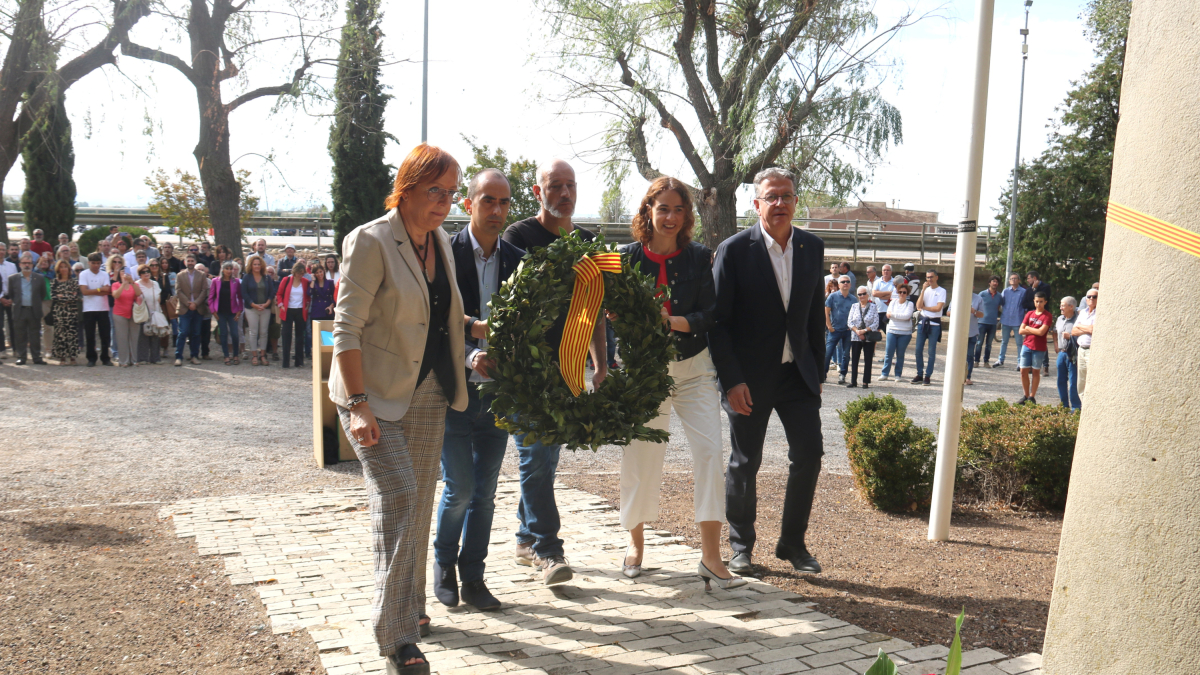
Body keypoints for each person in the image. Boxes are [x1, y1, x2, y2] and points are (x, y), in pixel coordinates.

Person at [328, 143, 468, 674]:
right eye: (434, 190)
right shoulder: (370, 240)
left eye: (450, 193)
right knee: (401, 496)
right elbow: (346, 328)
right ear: (405, 189)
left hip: (429, 391)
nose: (443, 203)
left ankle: (411, 610)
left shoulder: (440, 241)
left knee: (419, 504)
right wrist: (358, 404)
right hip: (371, 397)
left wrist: (477, 335)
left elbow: (436, 315)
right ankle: (397, 638)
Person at [616, 177, 745, 590]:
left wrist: (671, 321)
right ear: (648, 211)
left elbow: (711, 315)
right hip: (644, 372)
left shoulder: (700, 257)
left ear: (687, 215)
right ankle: (635, 544)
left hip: (694, 369)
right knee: (641, 457)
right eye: (663, 209)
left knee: (710, 453)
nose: (670, 217)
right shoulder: (624, 258)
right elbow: (609, 312)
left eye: (678, 210)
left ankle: (711, 557)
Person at [709, 167, 827, 576]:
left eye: (787, 196)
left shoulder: (812, 247)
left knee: (809, 455)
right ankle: (741, 547)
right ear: (756, 203)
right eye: (772, 197)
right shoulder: (734, 250)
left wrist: (818, 372)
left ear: (795, 201)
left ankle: (792, 543)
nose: (780, 203)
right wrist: (731, 381)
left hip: (798, 375)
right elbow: (718, 324)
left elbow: (814, 314)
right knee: (745, 462)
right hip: (748, 379)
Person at [500, 158, 607, 586]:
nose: (564, 193)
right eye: (555, 185)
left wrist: (600, 363)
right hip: (525, 372)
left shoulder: (590, 243)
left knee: (546, 459)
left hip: (569, 369)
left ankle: (525, 538)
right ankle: (548, 549)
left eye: (570, 186)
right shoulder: (518, 237)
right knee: (535, 456)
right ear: (537, 191)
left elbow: (596, 307)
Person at [433, 168, 524, 611]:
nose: (497, 210)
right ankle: (443, 567)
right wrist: (471, 355)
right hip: (454, 391)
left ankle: (474, 577)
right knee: (460, 490)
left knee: (485, 493)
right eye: (488, 200)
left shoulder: (519, 259)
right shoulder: (444, 253)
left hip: (498, 396)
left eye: (504, 202)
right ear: (468, 204)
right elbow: (435, 320)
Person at [5, 253, 48, 364]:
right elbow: (11, 294)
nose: (27, 265)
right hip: (20, 310)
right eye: (24, 263)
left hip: (34, 310)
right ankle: (22, 357)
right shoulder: (12, 279)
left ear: (32, 265)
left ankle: (36, 357)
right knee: (20, 335)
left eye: (29, 263)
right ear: (20, 264)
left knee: (35, 335)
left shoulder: (39, 278)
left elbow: (42, 294)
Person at [912, 269, 946, 385]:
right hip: (923, 322)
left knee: (931, 352)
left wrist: (925, 308)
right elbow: (918, 305)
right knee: (918, 350)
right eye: (927, 277)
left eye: (931, 277)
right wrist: (923, 290)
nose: (929, 279)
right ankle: (919, 373)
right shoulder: (926, 290)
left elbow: (938, 308)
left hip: (934, 324)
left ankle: (928, 375)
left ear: (936, 277)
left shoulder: (941, 291)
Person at [174, 253, 209, 366]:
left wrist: (196, 303)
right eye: (188, 261)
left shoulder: (201, 275)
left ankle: (194, 356)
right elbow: (178, 291)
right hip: (184, 308)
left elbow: (204, 290)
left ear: (195, 262)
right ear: (185, 262)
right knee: (183, 332)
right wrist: (188, 303)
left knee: (196, 333)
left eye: (192, 261)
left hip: (198, 308)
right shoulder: (180, 275)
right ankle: (178, 356)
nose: (190, 263)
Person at [1018, 291, 1052, 404]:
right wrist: (1034, 330)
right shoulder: (1029, 314)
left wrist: (1028, 328)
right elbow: (1020, 330)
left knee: (1036, 371)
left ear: (1045, 302)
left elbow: (1041, 332)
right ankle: (1026, 395)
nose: (1038, 304)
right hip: (1026, 345)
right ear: (1034, 301)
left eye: (1041, 302)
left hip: (1039, 347)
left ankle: (1032, 396)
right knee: (1023, 371)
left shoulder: (1047, 316)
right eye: (1037, 301)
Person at [241, 256, 276, 366]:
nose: (257, 266)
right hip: (251, 308)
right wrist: (253, 305)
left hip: (265, 308)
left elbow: (271, 292)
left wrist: (266, 304)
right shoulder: (247, 277)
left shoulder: (267, 277)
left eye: (258, 264)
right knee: (253, 332)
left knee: (264, 332)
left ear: (262, 265)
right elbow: (244, 293)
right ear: (251, 265)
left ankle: (263, 355)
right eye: (254, 264)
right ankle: (254, 355)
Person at [276, 259, 310, 368]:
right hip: (288, 310)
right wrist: (281, 305)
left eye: (302, 273)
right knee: (286, 336)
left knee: (299, 336)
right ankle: (286, 362)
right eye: (299, 273)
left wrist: (307, 304)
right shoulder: (286, 280)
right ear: (294, 272)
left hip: (300, 310)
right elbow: (279, 294)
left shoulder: (305, 281)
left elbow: (308, 295)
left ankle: (299, 361)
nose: (301, 275)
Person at [878, 284, 915, 381]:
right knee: (888, 353)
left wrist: (893, 315)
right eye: (900, 292)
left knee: (900, 354)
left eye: (904, 292)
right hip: (892, 330)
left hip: (905, 332)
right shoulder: (893, 302)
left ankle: (898, 375)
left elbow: (906, 316)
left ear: (907, 294)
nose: (902, 294)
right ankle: (884, 373)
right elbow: (888, 314)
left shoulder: (910, 304)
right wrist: (899, 316)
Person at [208, 261, 243, 365]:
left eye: (230, 269)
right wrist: (213, 311)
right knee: (223, 334)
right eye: (226, 269)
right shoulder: (215, 281)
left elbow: (240, 297)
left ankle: (235, 355)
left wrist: (239, 311)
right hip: (220, 312)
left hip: (233, 312)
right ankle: (226, 355)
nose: (229, 271)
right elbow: (211, 297)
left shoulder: (236, 281)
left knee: (235, 334)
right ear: (222, 270)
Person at [845, 285, 879, 388]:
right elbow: (849, 322)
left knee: (868, 359)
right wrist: (857, 331)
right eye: (860, 294)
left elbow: (876, 323)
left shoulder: (873, 307)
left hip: (869, 336)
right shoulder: (854, 306)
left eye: (864, 294)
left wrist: (864, 331)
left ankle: (865, 381)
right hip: (855, 336)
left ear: (868, 294)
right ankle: (853, 381)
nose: (862, 296)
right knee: (854, 359)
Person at [111, 267, 144, 367]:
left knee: (134, 337)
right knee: (122, 338)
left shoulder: (135, 284)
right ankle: (123, 361)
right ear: (119, 274)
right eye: (123, 271)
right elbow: (116, 295)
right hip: (119, 314)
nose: (125, 273)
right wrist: (123, 284)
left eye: (127, 272)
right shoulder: (115, 285)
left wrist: (131, 282)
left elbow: (138, 293)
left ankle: (134, 359)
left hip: (134, 314)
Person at [951, 289, 985, 386]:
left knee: (970, 355)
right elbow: (948, 313)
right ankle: (955, 376)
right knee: (956, 355)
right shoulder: (956, 296)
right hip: (958, 332)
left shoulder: (978, 298)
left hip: (972, 332)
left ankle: (968, 377)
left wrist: (974, 311)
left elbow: (982, 314)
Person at [824, 275, 854, 384]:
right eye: (843, 282)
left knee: (846, 354)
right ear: (839, 285)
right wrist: (829, 327)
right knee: (828, 353)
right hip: (834, 330)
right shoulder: (832, 296)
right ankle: (823, 374)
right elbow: (826, 312)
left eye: (847, 281)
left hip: (847, 331)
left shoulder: (853, 299)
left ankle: (842, 375)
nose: (845, 283)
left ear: (850, 284)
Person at [49, 260, 81, 365]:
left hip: (71, 311)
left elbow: (75, 297)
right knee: (60, 334)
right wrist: (68, 296)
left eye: (65, 266)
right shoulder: (54, 282)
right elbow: (54, 297)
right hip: (58, 312)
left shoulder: (74, 282)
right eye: (61, 267)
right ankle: (62, 357)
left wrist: (62, 296)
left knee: (72, 334)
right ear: (58, 269)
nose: (63, 269)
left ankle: (72, 357)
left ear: (69, 268)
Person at [1054, 296, 1082, 412]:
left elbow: (1083, 336)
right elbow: (1055, 331)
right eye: (1060, 305)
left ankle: (1076, 407)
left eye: (1063, 305)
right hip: (1061, 353)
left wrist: (1070, 336)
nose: (1060, 308)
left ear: (1071, 307)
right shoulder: (1059, 319)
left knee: (1073, 381)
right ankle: (1064, 406)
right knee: (1060, 380)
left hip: (1073, 354)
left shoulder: (1079, 320)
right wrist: (1056, 344)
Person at [996, 273, 1028, 367]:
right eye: (1011, 278)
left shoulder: (1023, 292)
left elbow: (1025, 307)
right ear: (1009, 281)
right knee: (1004, 341)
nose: (1013, 280)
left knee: (1019, 343)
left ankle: (1020, 362)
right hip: (1006, 320)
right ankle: (1000, 360)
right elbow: (1001, 304)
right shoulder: (1005, 291)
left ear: (1019, 280)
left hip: (1018, 320)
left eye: (1015, 278)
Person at [134, 264, 164, 364]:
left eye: (147, 271)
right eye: (143, 272)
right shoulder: (137, 284)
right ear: (140, 274)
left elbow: (159, 298)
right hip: (143, 313)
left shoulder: (155, 284)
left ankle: (155, 358)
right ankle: (142, 358)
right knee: (143, 336)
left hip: (155, 312)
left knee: (155, 335)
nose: (146, 273)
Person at [1023, 272, 1052, 375]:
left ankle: (1045, 366)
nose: (1028, 280)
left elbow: (1043, 299)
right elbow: (1024, 303)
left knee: (1041, 341)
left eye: (1029, 278)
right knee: (1030, 341)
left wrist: (1035, 290)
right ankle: (1030, 365)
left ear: (1034, 278)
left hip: (1042, 317)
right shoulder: (1029, 289)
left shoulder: (1045, 287)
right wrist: (1033, 291)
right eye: (1036, 301)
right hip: (1031, 317)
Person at [1072, 289, 1097, 402]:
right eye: (1089, 296)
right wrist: (1087, 329)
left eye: (1094, 297)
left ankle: (1092, 404)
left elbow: (1093, 330)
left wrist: (1080, 326)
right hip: (1081, 350)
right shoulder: (1083, 312)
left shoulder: (1100, 313)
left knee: (1092, 378)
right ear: (1086, 299)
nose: (1091, 299)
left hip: (1092, 350)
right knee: (1081, 380)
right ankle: (1084, 404)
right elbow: (1073, 331)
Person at [975, 276, 1002, 367]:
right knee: (979, 343)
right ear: (989, 283)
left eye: (996, 282)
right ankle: (976, 361)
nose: (995, 283)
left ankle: (986, 361)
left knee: (989, 344)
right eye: (993, 281)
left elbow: (998, 307)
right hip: (981, 322)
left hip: (992, 323)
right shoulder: (982, 294)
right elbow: (977, 305)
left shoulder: (999, 296)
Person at [0, 242, 19, 357]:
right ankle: (2, 350)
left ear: (6, 251)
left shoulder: (11, 266)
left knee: (14, 324)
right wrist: (1, 298)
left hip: (11, 297)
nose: (1, 252)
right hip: (0, 298)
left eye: (3, 250)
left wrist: (12, 297)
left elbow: (16, 283)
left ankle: (16, 349)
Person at [868, 265, 896, 333]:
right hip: (878, 310)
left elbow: (895, 295)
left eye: (888, 270)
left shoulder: (895, 282)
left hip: (890, 311)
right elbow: (874, 293)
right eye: (884, 270)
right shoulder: (877, 282)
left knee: (889, 332)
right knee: (875, 333)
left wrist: (881, 295)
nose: (886, 272)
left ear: (891, 272)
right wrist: (889, 293)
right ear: (882, 272)